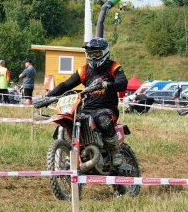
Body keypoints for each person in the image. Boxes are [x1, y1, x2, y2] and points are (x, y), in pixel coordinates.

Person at [36, 37, 127, 167]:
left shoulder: (113, 66)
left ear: (105, 52)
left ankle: (115, 152)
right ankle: (69, 152)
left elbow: (122, 83)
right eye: (90, 53)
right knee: (70, 120)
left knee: (103, 120)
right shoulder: (84, 70)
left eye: (97, 53)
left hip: (107, 109)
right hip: (87, 109)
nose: (93, 56)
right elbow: (65, 85)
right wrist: (47, 97)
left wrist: (108, 84)